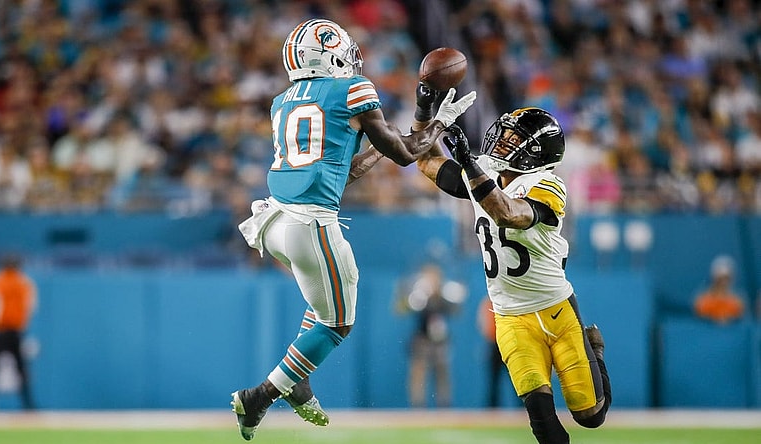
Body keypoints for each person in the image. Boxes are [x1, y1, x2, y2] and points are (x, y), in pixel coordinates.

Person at [231, 18, 476, 441]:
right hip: (311, 224)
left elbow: (341, 170)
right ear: (329, 54)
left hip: (274, 221)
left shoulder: (282, 101)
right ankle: (261, 396)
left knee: (322, 301)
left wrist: (382, 149)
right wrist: (440, 121)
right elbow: (404, 154)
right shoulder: (353, 88)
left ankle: (299, 380)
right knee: (337, 323)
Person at [414, 92, 611, 443]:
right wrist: (427, 113)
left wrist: (470, 166)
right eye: (505, 134)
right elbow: (425, 160)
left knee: (590, 417)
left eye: (515, 138)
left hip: (557, 313)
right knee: (545, 427)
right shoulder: (486, 174)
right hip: (510, 319)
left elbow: (509, 213)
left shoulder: (548, 184)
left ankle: (594, 350)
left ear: (537, 152)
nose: (503, 141)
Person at [395, 263, 466, 408]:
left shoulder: (445, 294)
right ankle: (418, 406)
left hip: (440, 342)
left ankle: (444, 405)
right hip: (422, 340)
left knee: (442, 375)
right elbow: (401, 309)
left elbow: (456, 312)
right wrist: (410, 296)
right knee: (418, 374)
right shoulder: (419, 294)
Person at [0, 254, 38, 411]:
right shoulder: (23, 282)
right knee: (21, 369)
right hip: (15, 332)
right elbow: (30, 306)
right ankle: (28, 405)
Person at [693, 255, 745, 324]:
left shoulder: (737, 301)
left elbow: (740, 320)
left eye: (727, 278)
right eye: (720, 279)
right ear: (714, 278)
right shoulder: (702, 301)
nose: (723, 282)